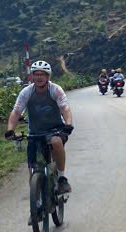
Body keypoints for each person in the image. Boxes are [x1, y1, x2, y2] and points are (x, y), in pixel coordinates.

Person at [5, 60, 74, 196]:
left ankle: (61, 177)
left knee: (56, 142)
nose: (39, 77)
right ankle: (36, 209)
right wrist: (10, 130)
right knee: (32, 171)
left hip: (56, 129)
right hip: (35, 132)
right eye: (36, 74)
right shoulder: (26, 92)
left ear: (48, 76)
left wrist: (68, 124)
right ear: (31, 76)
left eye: (43, 74)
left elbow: (65, 108)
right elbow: (16, 111)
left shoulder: (55, 90)